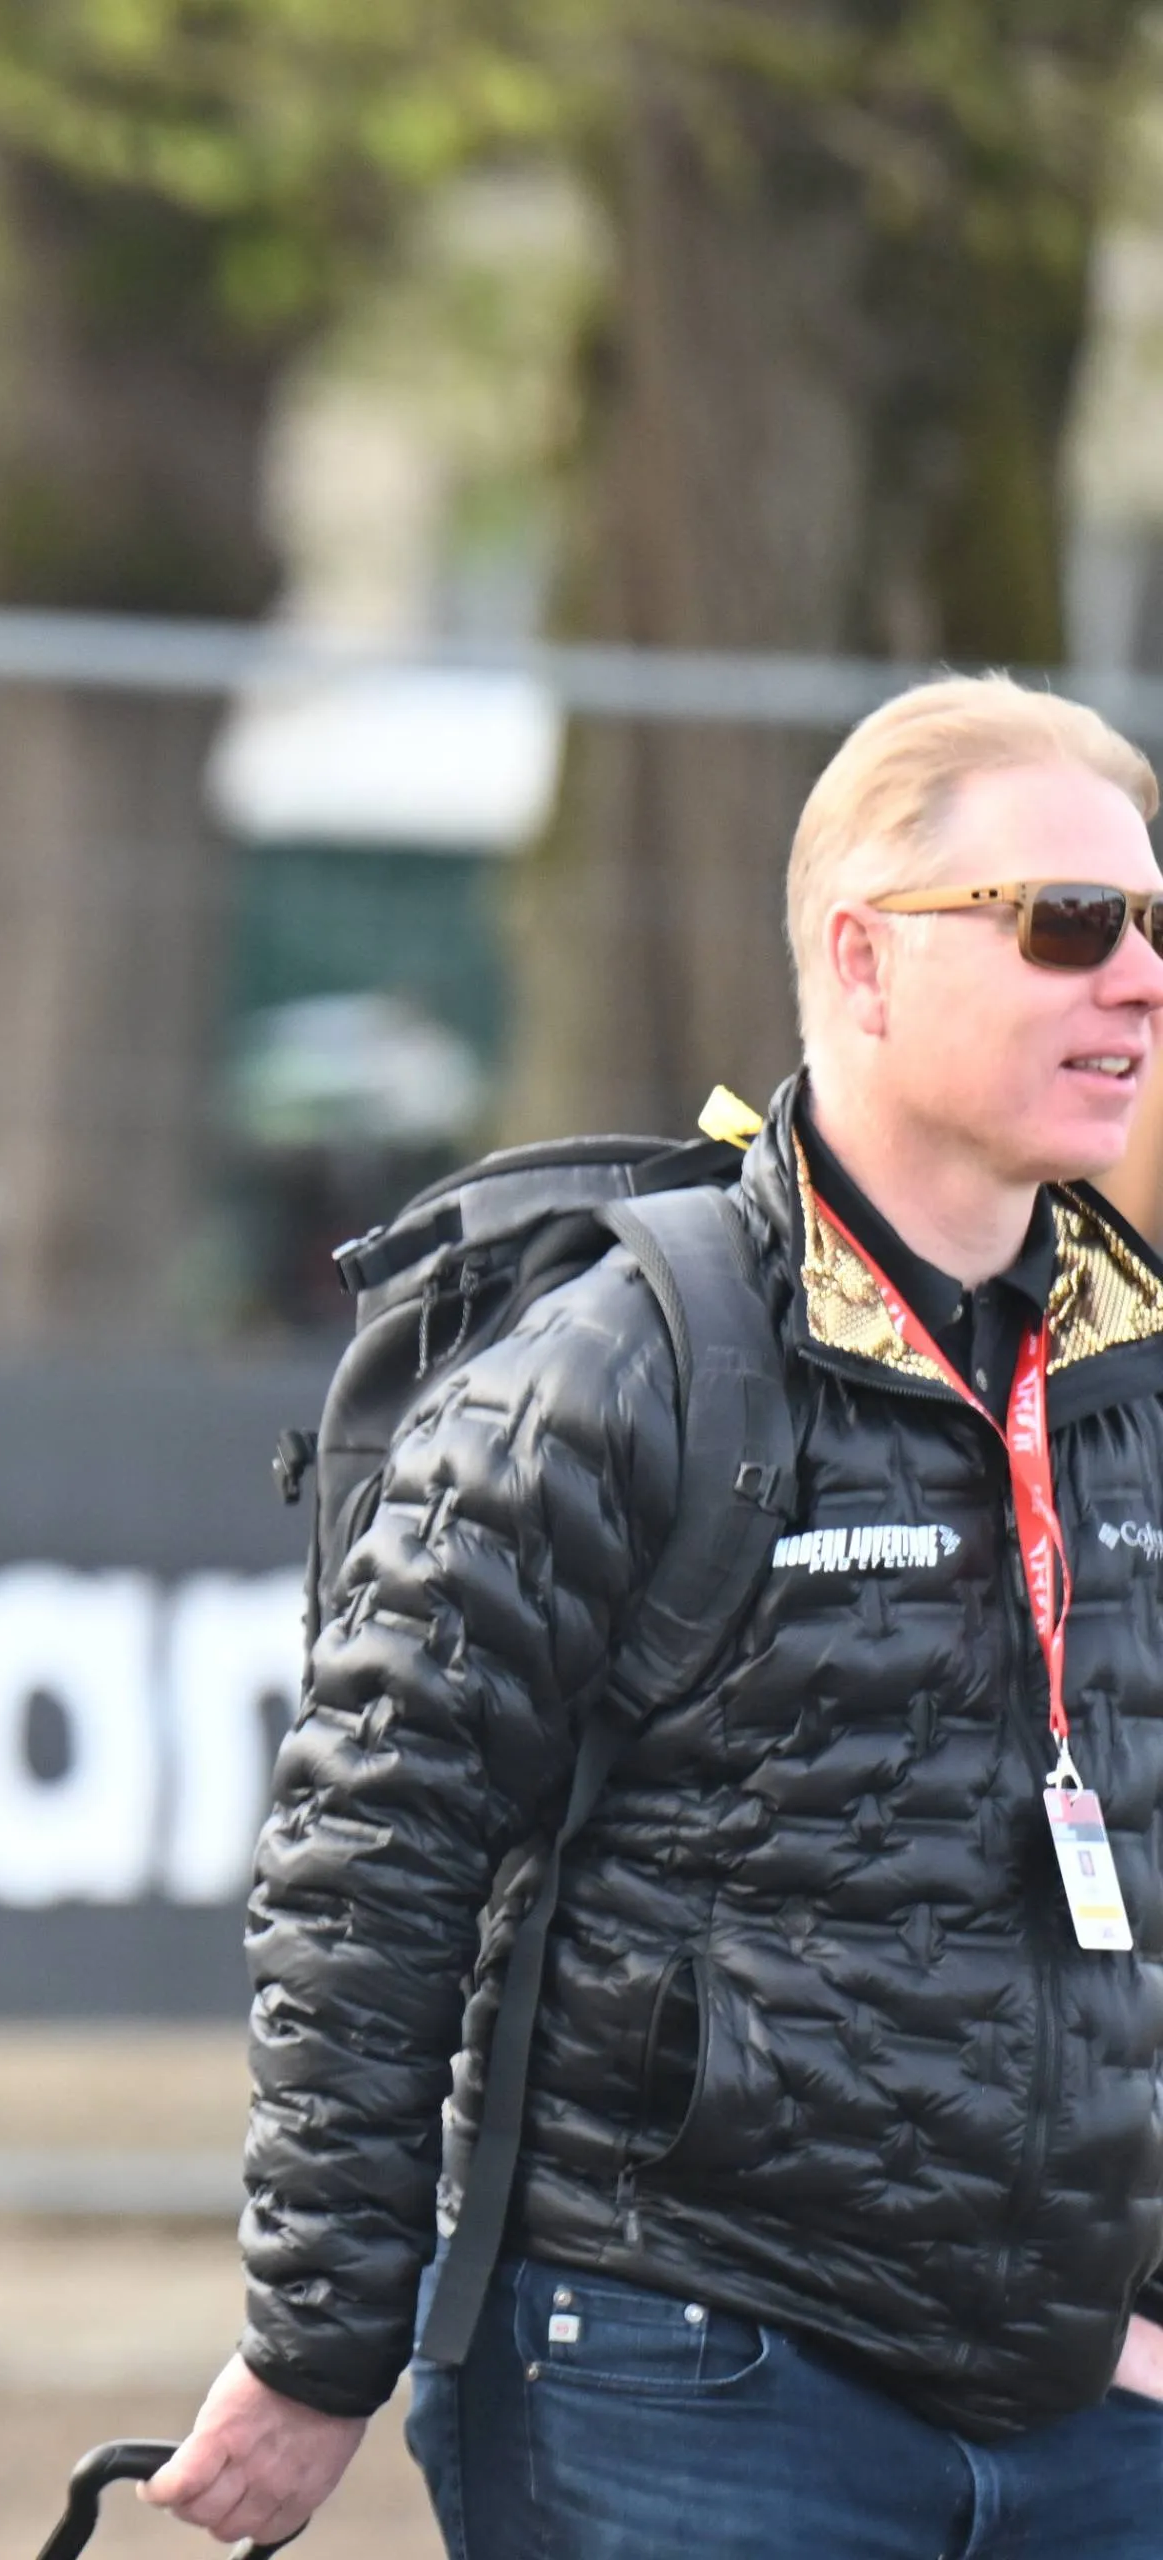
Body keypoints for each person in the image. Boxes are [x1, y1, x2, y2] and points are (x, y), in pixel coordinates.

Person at [154, 674, 1163, 2556]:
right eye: (1070, 924)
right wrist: (320, 2348)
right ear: (862, 962)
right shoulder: (625, 1360)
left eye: (1154, 928)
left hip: (1088, 2413)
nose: (1138, 979)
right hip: (686, 2377)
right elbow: (374, 1864)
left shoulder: (1132, 1374)